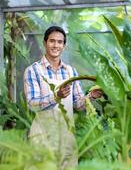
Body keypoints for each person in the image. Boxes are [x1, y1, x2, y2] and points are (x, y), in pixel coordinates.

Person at [23, 26, 102, 169]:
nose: (56, 45)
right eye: (52, 41)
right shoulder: (33, 70)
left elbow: (78, 105)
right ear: (45, 43)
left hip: (66, 135)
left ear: (64, 46)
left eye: (60, 42)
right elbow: (32, 104)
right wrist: (56, 96)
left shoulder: (71, 71)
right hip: (42, 136)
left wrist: (91, 96)